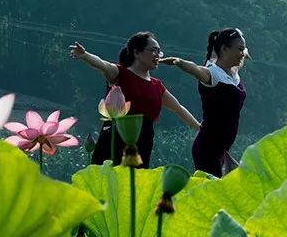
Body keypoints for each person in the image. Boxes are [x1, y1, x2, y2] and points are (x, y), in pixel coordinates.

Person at [69, 32, 201, 168]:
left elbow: (179, 109)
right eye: (153, 50)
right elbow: (101, 64)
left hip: (142, 142)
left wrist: (201, 130)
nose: (157, 55)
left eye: (159, 51)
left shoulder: (157, 86)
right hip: (115, 136)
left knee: (134, 184)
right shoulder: (120, 73)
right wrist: (85, 56)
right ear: (137, 53)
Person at [159, 28, 249, 177]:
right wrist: (178, 61)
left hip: (223, 149)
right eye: (239, 49)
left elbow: (243, 56)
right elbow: (194, 69)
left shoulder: (233, 72)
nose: (242, 53)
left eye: (243, 50)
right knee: (212, 194)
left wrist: (243, 51)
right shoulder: (212, 74)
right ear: (224, 49)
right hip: (208, 148)